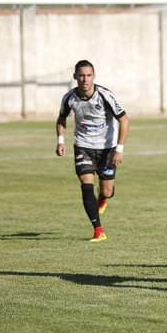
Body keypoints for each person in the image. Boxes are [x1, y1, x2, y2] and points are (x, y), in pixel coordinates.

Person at [56, 60, 129, 242]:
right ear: (75, 77)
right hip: (83, 146)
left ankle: (104, 198)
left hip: (107, 149)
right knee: (86, 185)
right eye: (81, 75)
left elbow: (124, 119)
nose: (85, 79)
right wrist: (60, 141)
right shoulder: (69, 98)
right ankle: (98, 230)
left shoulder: (105, 95)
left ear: (94, 77)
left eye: (88, 75)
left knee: (106, 191)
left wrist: (119, 149)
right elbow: (61, 119)